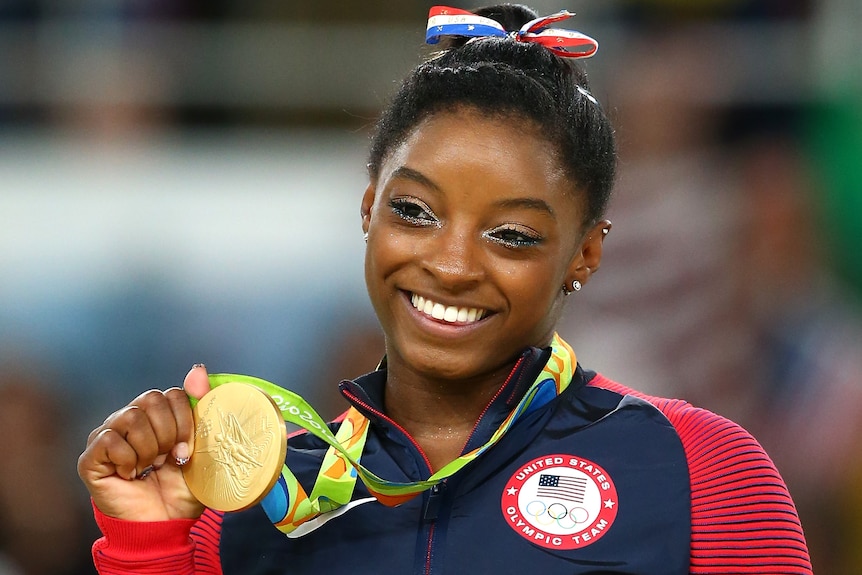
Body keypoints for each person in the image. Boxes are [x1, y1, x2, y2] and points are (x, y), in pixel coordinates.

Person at [77, 5, 813, 574]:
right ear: (368, 209)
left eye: (513, 234)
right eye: (415, 212)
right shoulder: (245, 502)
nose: (453, 264)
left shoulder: (701, 474)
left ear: (585, 253)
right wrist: (151, 540)